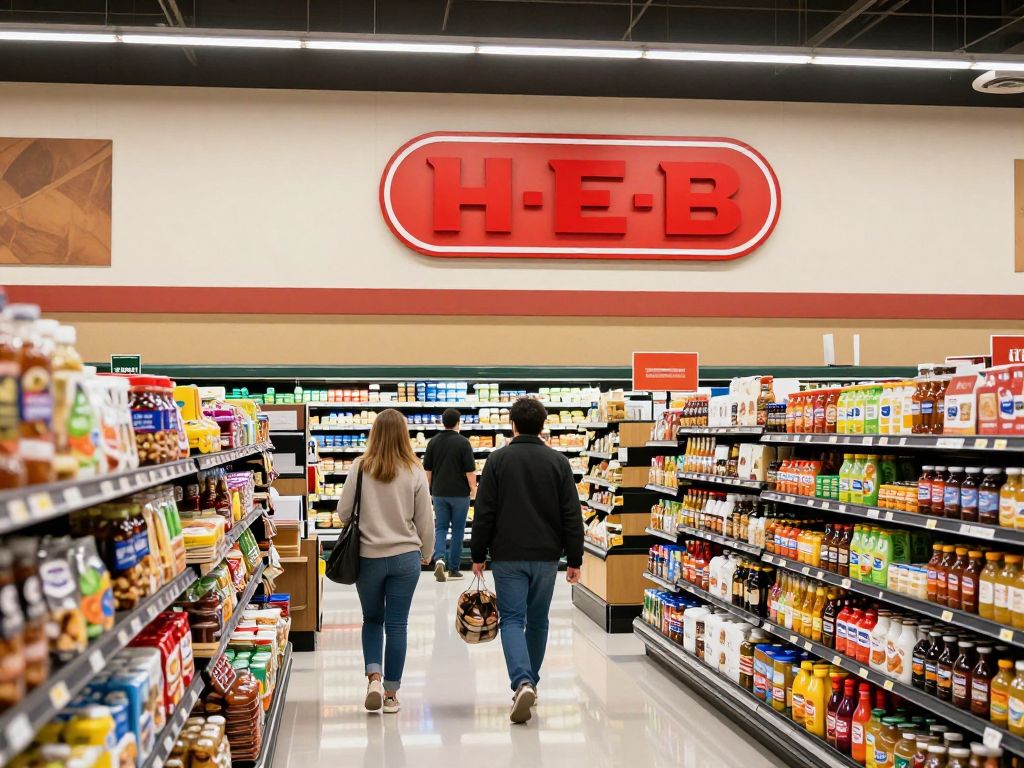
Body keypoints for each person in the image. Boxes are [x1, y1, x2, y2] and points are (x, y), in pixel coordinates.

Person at [471, 397, 584, 725]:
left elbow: (485, 512)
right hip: (547, 556)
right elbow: (571, 516)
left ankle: (521, 682)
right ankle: (529, 682)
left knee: (511, 621)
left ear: (513, 425)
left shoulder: (497, 461)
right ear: (543, 425)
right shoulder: (558, 463)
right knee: (538, 621)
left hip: (507, 556)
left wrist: (477, 553)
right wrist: (574, 557)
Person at [336, 408, 434, 715]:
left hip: (368, 557)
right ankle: (391, 695)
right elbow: (425, 519)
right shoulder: (415, 470)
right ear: (404, 435)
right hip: (406, 558)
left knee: (373, 620)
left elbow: (342, 512)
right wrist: (427, 552)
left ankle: (373, 679)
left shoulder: (360, 467)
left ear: (374, 434)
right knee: (397, 625)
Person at [423, 407, 477, 582]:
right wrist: (474, 490)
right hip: (460, 494)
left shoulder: (433, 442)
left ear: (442, 422)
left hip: (439, 493)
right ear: (458, 423)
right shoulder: (463, 443)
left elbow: (428, 471)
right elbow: (470, 471)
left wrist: (427, 490)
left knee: (440, 528)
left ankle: (439, 559)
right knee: (458, 531)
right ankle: (454, 568)